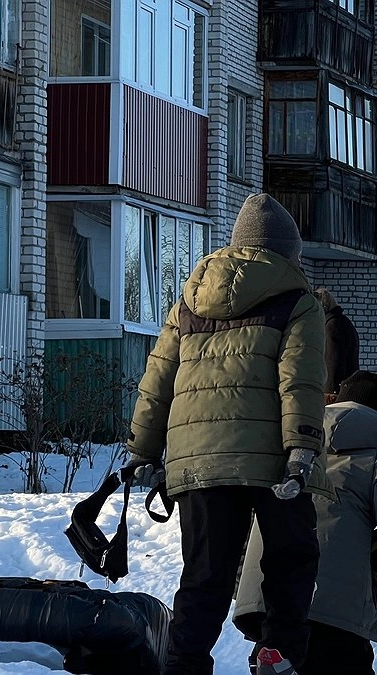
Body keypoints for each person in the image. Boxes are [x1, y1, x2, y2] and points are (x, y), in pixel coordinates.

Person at [123, 193, 331, 675]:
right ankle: (278, 653)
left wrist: (142, 449)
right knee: (292, 557)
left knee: (205, 574)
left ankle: (183, 664)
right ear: (289, 251)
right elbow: (299, 379)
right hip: (270, 459)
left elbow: (157, 379)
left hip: (197, 461)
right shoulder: (298, 301)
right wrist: (302, 445)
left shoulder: (189, 301)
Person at [232, 370, 377, 674]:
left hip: (266, 601)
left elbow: (244, 521)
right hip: (328, 608)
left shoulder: (289, 449)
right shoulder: (376, 455)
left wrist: (244, 588)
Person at [313, 288, 360, 397]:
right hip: (347, 388)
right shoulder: (342, 322)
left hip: (337, 393)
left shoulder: (332, 327)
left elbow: (333, 363)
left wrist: (330, 394)